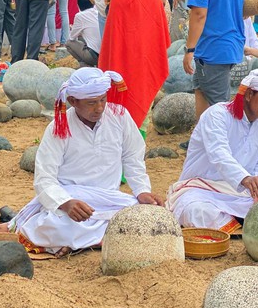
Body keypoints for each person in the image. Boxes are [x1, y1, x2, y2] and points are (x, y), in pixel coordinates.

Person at [10, 68, 164, 257]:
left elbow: (133, 158)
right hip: (70, 199)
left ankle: (81, 243)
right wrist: (66, 203)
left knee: (143, 216)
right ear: (73, 101)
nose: (99, 108)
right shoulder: (58, 126)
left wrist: (142, 191)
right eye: (91, 103)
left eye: (102, 100)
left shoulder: (119, 116)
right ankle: (93, 239)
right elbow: (44, 179)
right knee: (56, 225)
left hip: (109, 200)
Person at [166, 68, 258, 232]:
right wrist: (245, 179)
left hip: (241, 193)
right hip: (201, 189)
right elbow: (219, 154)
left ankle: (236, 221)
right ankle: (240, 222)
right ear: (248, 95)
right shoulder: (217, 114)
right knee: (198, 212)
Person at [98, 0, 170, 131]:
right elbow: (161, 35)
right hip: (145, 59)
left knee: (121, 106)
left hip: (122, 61)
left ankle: (126, 151)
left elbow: (112, 38)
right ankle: (138, 150)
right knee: (142, 105)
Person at [180, 0, 246, 125]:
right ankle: (200, 138)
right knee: (200, 89)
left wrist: (189, 49)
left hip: (213, 46)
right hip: (230, 42)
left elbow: (199, 14)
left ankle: (222, 144)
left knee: (219, 104)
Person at [66, 0, 100, 66]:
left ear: (79, 5)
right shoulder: (98, 13)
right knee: (83, 36)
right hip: (105, 55)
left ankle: (85, 65)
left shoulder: (80, 16)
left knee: (69, 43)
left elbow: (72, 37)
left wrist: (74, 29)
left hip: (93, 56)